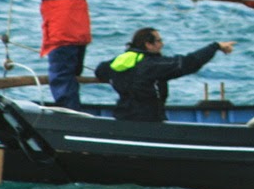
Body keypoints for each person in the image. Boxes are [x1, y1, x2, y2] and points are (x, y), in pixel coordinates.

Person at [7, 0, 93, 109]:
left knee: (61, 76)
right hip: (80, 31)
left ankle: (70, 116)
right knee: (72, 74)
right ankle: (75, 110)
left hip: (61, 31)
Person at [94, 28, 234, 122]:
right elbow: (188, 63)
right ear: (148, 44)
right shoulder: (153, 65)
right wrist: (215, 46)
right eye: (159, 41)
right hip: (148, 120)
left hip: (122, 116)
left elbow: (100, 71)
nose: (162, 44)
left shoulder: (122, 59)